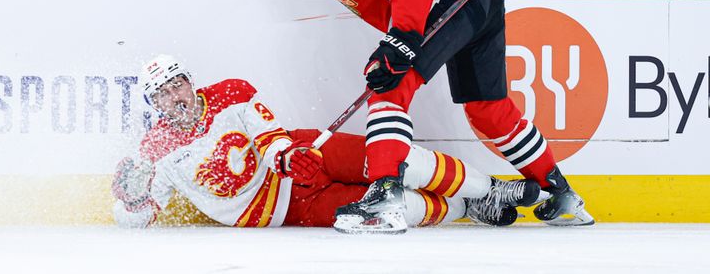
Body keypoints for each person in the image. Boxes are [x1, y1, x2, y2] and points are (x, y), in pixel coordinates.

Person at [216, 0, 593, 233]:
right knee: (488, 109)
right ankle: (561, 194)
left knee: (388, 85)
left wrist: (402, 41)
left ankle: (385, 198)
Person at [112, 55, 541, 231]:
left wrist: (285, 157)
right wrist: (129, 204)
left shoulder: (229, 92)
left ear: (189, 80)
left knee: (391, 158)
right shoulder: (156, 150)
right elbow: (142, 217)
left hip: (302, 152)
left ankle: (491, 189)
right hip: (283, 209)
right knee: (382, 214)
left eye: (177, 84)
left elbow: (268, 134)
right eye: (163, 94)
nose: (176, 97)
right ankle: (467, 206)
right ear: (155, 103)